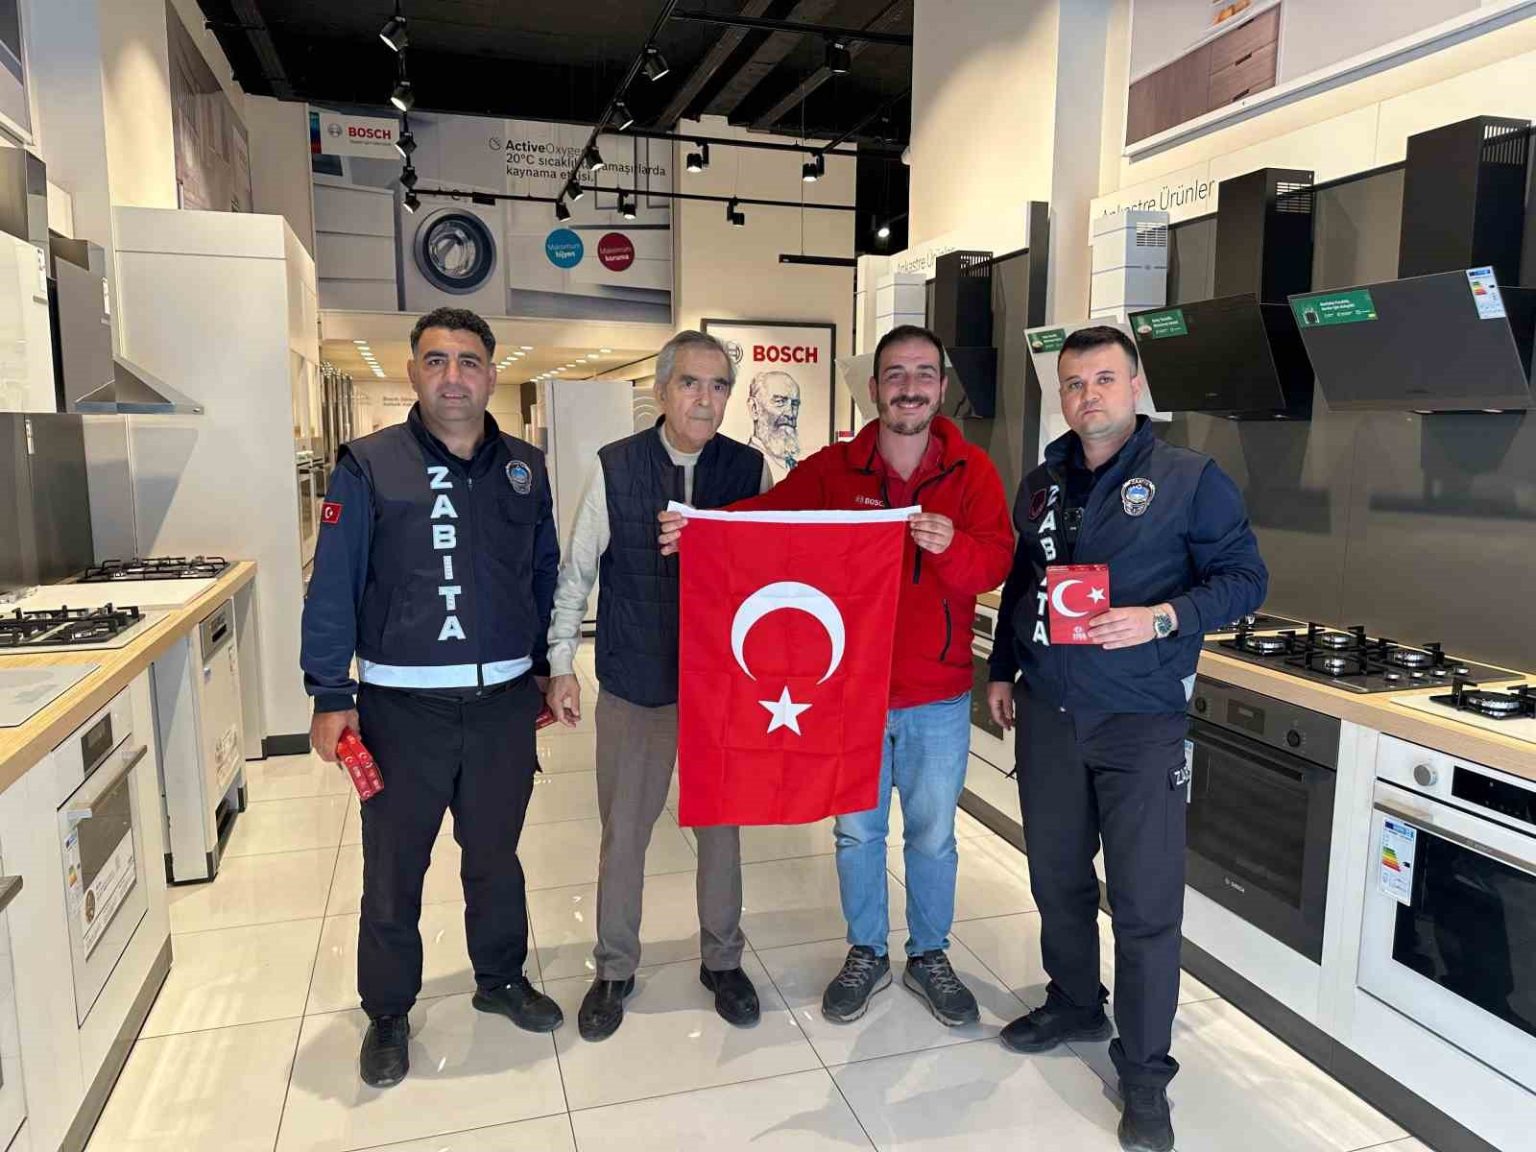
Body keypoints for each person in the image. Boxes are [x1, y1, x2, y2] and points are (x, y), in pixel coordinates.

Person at [660, 323, 1014, 1028]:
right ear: (874, 388)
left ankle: (931, 955)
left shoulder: (971, 471)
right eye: (895, 374)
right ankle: (866, 952)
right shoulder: (834, 469)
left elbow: (996, 563)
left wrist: (952, 546)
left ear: (941, 386)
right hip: (850, 696)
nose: (909, 387)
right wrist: (699, 527)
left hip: (937, 695)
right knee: (857, 834)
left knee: (933, 836)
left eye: (923, 374)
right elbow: (764, 522)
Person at [987, 326, 1267, 1152]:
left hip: (1140, 722)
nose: (1089, 396)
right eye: (1074, 383)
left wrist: (1163, 616)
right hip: (1048, 714)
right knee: (1056, 878)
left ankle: (1144, 1073)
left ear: (1136, 386)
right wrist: (1002, 669)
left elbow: (1246, 580)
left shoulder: (1189, 480)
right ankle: (1076, 1001)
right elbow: (1024, 583)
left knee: (1145, 905)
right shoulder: (1041, 485)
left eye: (1104, 379)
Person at [301, 307, 564, 1088]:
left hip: (502, 707)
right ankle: (388, 1012)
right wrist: (330, 691)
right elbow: (333, 584)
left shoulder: (525, 468)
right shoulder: (369, 465)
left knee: (495, 858)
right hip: (401, 712)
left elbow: (542, 572)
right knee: (393, 871)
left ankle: (500, 978)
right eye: (438, 360)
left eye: (469, 361)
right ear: (413, 371)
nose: (454, 376)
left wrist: (548, 666)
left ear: (492, 374)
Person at [544, 330, 771, 1042]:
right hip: (636, 682)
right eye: (690, 383)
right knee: (625, 834)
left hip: (720, 689)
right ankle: (614, 967)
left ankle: (723, 960)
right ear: (662, 390)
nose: (705, 399)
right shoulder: (616, 467)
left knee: (722, 833)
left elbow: (772, 571)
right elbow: (577, 573)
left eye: (719, 386)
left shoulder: (749, 469)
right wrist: (560, 662)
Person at [747, 369, 802, 481]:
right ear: (754, 408)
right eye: (780, 401)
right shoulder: (744, 466)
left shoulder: (799, 468)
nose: (791, 414)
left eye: (794, 404)